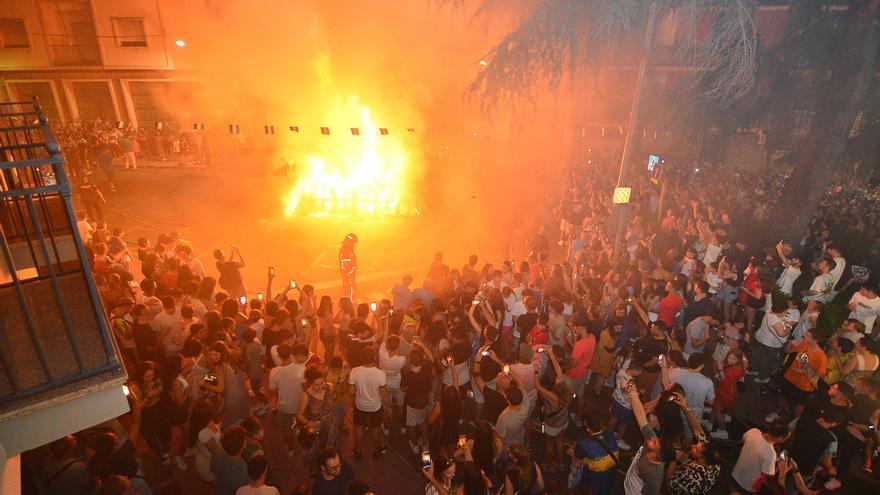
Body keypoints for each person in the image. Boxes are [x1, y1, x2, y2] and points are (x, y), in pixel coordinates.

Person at [622, 381, 665, 495]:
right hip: (630, 480)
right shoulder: (652, 440)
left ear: (656, 454)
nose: (652, 438)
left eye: (654, 443)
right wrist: (633, 394)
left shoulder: (654, 476)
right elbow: (641, 416)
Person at [268, 343, 308, 456]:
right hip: (300, 405)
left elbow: (272, 391)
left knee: (286, 428)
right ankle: (304, 447)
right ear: (291, 354)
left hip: (284, 406)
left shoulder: (274, 371)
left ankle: (290, 449)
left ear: (279, 355)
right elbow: (306, 388)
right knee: (302, 426)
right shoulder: (302, 368)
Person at [349, 348, 389, 459]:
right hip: (375, 406)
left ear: (362, 358)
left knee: (358, 428)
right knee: (376, 429)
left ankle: (358, 451)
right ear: (374, 358)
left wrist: (353, 403)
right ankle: (376, 450)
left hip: (360, 405)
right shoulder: (380, 374)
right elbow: (384, 394)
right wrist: (388, 407)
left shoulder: (354, 371)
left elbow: (351, 392)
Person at [730, 422, 790, 494]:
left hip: (735, 474)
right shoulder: (771, 454)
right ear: (780, 438)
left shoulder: (753, 431)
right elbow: (767, 475)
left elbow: (743, 440)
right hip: (747, 486)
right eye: (786, 438)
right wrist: (780, 467)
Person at [570, 410, 618, 494]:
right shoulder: (610, 433)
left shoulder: (584, 444)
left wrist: (572, 454)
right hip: (609, 474)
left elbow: (576, 464)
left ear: (587, 426)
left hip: (593, 477)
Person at [296, 365, 336, 464]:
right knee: (316, 451)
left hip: (329, 424)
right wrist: (308, 422)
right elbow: (299, 415)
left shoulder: (330, 387)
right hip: (315, 428)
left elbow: (331, 400)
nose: (320, 387)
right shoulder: (306, 397)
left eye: (322, 383)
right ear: (310, 384)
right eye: (316, 385)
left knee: (329, 446)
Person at [211, 425, 249, 495]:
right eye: (245, 440)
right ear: (243, 445)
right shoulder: (243, 471)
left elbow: (212, 468)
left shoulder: (217, 451)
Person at [339, 233, 358, 301]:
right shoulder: (346, 250)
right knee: (350, 287)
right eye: (353, 243)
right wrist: (351, 271)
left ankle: (346, 301)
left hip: (347, 272)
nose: (354, 245)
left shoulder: (346, 248)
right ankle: (351, 301)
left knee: (347, 286)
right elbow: (347, 262)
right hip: (348, 272)